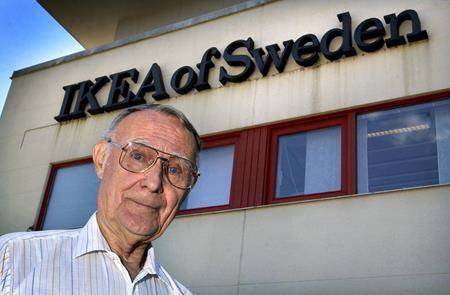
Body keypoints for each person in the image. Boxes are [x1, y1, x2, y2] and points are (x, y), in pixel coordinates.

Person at [0, 104, 201, 294]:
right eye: (138, 156)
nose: (154, 182)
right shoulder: (12, 258)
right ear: (101, 159)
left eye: (175, 170)